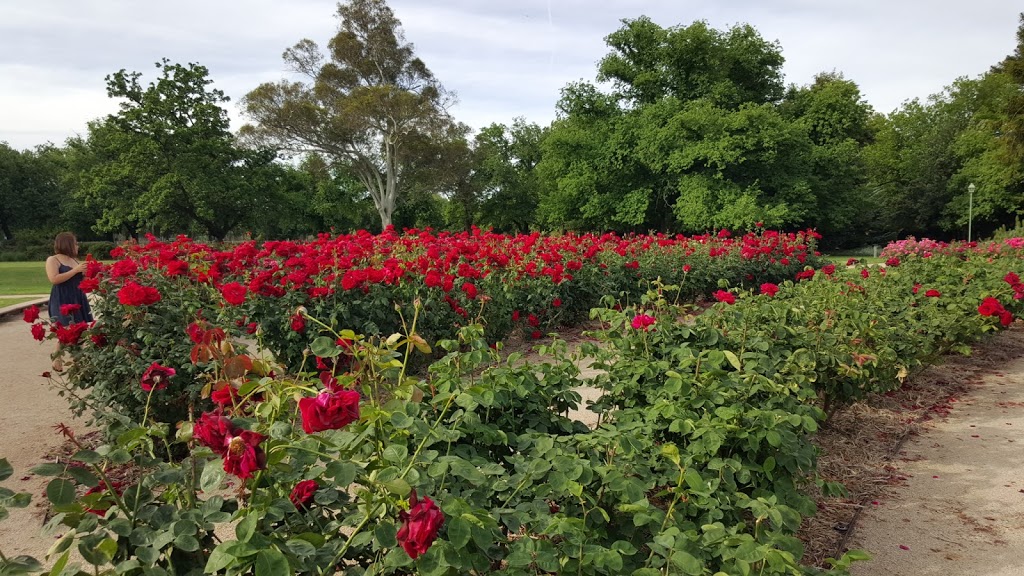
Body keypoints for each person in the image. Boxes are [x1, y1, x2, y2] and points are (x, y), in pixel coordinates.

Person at [46, 232, 93, 371]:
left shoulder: (75, 261)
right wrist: (75, 270)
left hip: (77, 297)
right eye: (75, 243)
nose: (77, 246)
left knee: (80, 330)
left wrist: (88, 274)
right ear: (68, 244)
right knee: (66, 329)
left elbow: (82, 282)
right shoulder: (53, 260)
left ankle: (77, 360)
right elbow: (54, 278)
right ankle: (57, 358)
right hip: (62, 298)